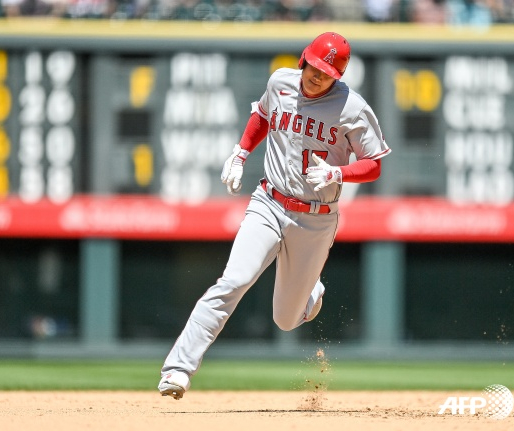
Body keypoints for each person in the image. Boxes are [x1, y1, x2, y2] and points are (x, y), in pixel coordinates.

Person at [158, 31, 391, 400]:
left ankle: (310, 292)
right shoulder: (280, 81)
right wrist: (240, 151)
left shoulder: (352, 108)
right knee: (233, 282)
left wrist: (338, 173)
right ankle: (178, 370)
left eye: (327, 72)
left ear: (338, 76)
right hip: (269, 202)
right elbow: (262, 115)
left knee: (285, 320)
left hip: (315, 218)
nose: (318, 75)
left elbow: (374, 164)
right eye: (314, 66)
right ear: (304, 59)